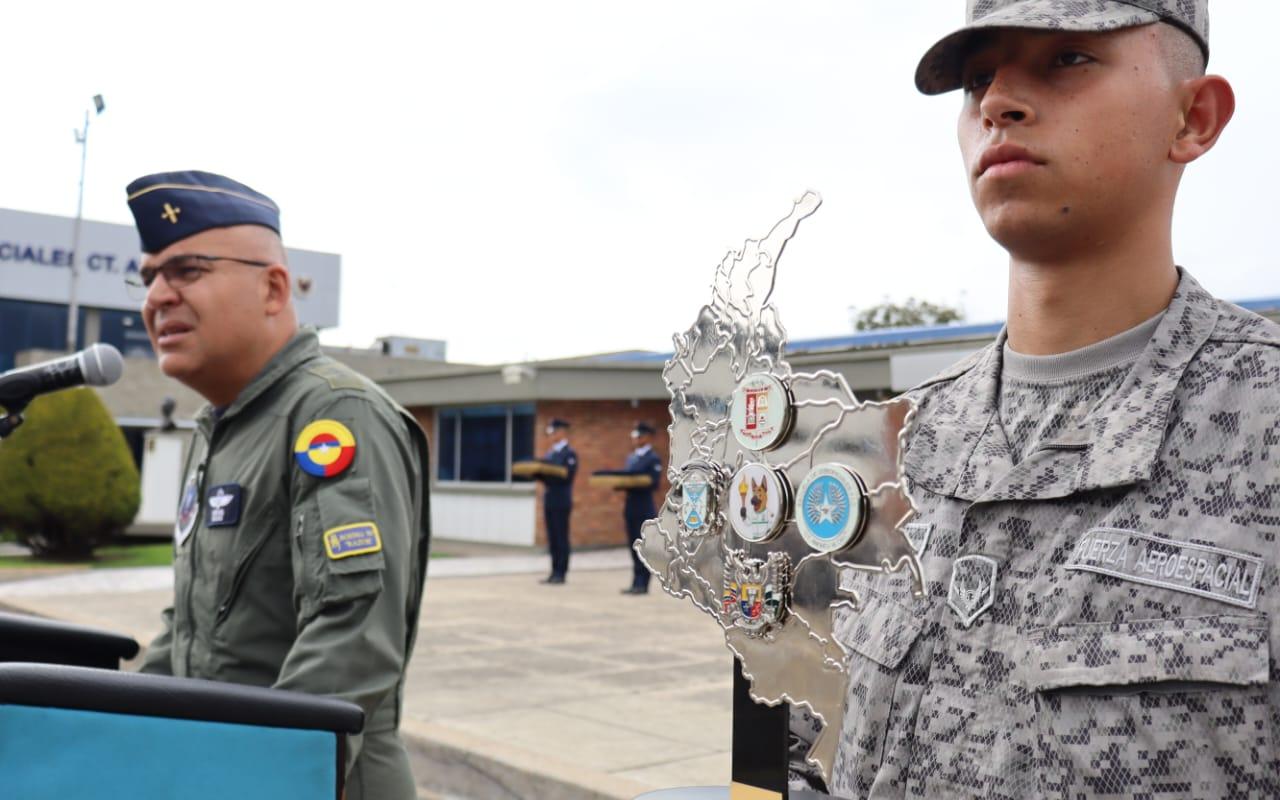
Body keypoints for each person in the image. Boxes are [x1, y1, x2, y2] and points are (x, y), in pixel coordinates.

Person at [795, 2, 1280, 797]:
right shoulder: (889, 448)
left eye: (1066, 60)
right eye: (979, 78)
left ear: (1193, 116)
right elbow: (800, 743)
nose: (997, 102)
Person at [125, 170, 431, 800]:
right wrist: (125, 736)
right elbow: (189, 627)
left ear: (272, 288)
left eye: (187, 271)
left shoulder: (332, 416)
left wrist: (248, 771)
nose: (156, 296)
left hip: (307, 782)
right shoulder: (221, 429)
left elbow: (352, 642)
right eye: (149, 275)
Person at [620, 422, 663, 594]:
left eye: (639, 436)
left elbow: (652, 482)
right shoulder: (632, 458)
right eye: (634, 436)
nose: (636, 440)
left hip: (644, 507)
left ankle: (643, 583)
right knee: (633, 545)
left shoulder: (653, 458)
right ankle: (635, 581)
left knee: (642, 546)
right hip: (631, 506)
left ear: (647, 437)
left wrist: (633, 482)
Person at [537, 418, 578, 584]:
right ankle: (553, 571)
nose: (551, 436)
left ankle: (561, 572)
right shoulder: (551, 453)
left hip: (561, 500)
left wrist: (549, 473)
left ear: (562, 432)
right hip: (550, 499)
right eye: (550, 433)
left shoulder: (569, 454)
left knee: (561, 537)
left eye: (553, 432)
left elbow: (567, 476)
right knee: (552, 537)